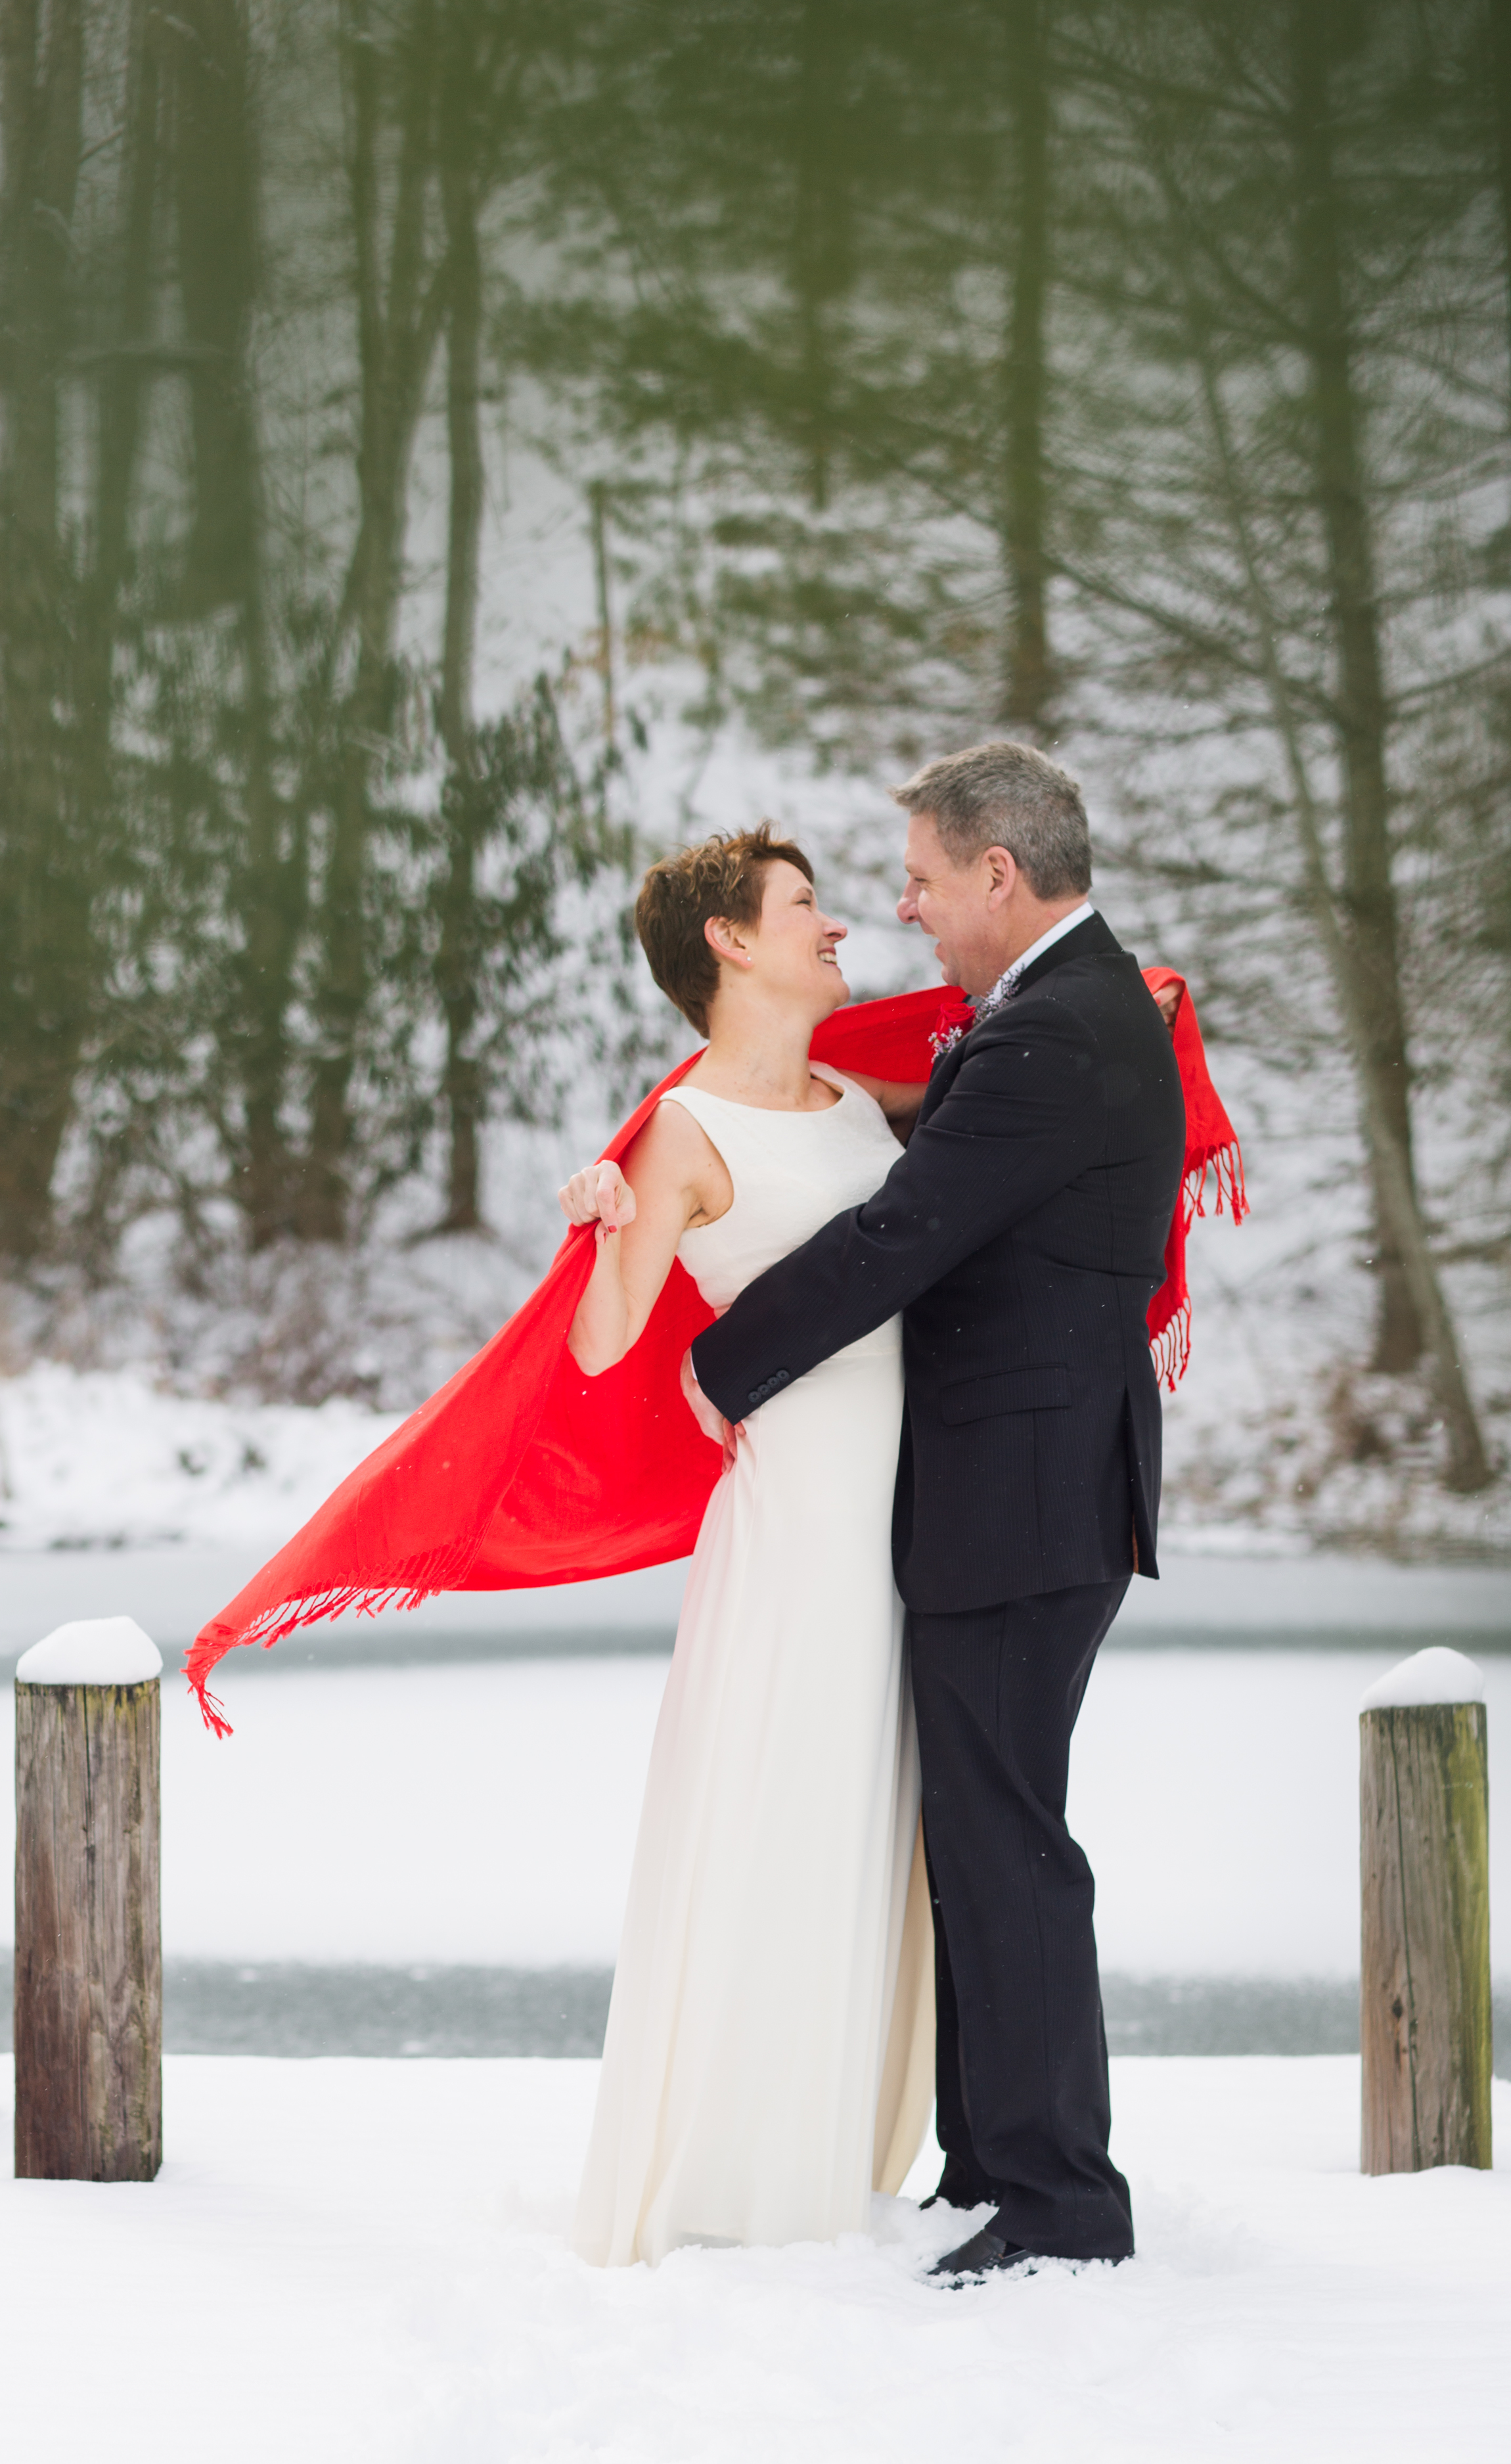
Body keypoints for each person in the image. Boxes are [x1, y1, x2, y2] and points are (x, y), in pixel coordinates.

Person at [685, 742, 1186, 2278]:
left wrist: (723, 1363)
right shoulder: (1050, 1014)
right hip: (1024, 1486)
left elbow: (907, 1230)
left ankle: (1052, 2206)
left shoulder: (1051, 1036)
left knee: (1006, 1843)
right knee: (979, 1835)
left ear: (995, 872)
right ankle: (990, 2167)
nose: (897, 906)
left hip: (1023, 1494)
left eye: (914, 876)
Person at [560, 824, 939, 2268]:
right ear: (727, 942)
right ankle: (733, 2172)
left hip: (902, 1517)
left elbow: (986, 1120)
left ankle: (836, 2150)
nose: (834, 925)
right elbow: (605, 1347)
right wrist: (604, 1221)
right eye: (802, 908)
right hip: (793, 1532)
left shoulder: (857, 1092)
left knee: (869, 1817)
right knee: (783, 1806)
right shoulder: (683, 1130)